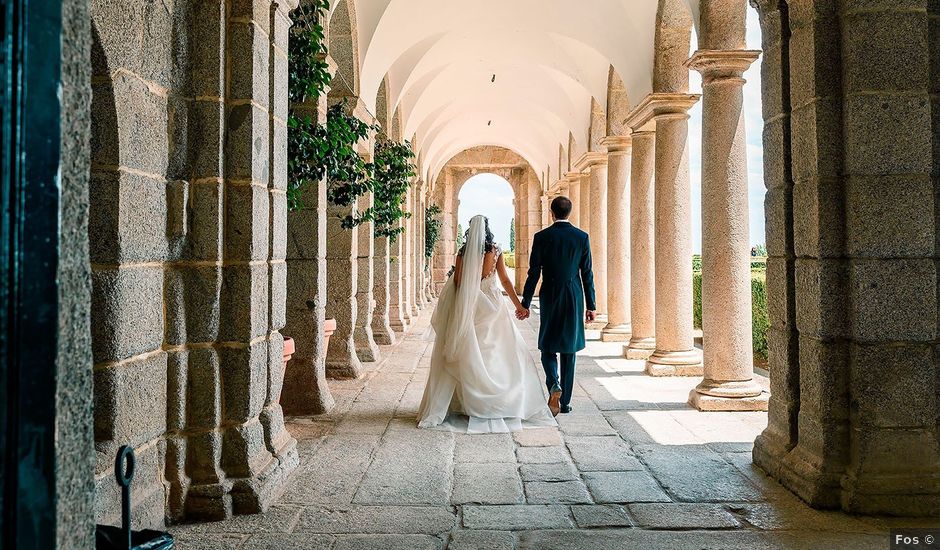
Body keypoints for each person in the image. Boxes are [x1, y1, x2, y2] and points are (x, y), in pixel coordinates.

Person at [416, 215, 556, 433]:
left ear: (470, 232)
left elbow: (460, 281)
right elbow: (505, 280)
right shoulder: (496, 250)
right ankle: (502, 400)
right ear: (487, 230)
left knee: (469, 350)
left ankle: (465, 400)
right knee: (499, 349)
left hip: (470, 304)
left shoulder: (463, 252)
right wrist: (519, 305)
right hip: (492, 303)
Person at [517, 196, 596, 415]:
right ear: (569, 212)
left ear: (551, 212)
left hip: (550, 294)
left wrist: (525, 303)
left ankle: (553, 383)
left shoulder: (542, 237)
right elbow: (587, 273)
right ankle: (566, 402)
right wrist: (591, 304)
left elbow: (534, 273)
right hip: (573, 295)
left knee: (547, 344)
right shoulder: (581, 237)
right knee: (569, 350)